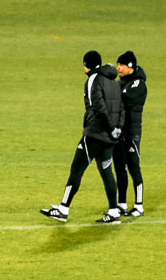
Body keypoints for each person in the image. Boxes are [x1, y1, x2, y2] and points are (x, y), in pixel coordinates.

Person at [40, 49, 124, 224]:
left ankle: (63, 209)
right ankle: (114, 211)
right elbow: (121, 108)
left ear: (87, 65)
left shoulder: (93, 79)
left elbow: (97, 107)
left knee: (77, 169)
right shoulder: (114, 82)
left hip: (94, 134)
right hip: (110, 137)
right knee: (107, 171)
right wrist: (117, 129)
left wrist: (109, 127)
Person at [114, 51, 148, 218]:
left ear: (130, 67)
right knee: (120, 168)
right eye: (118, 64)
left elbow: (124, 100)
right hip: (120, 132)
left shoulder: (138, 84)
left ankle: (139, 205)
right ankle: (122, 204)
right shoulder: (122, 83)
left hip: (132, 132)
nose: (118, 68)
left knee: (134, 168)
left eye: (121, 65)